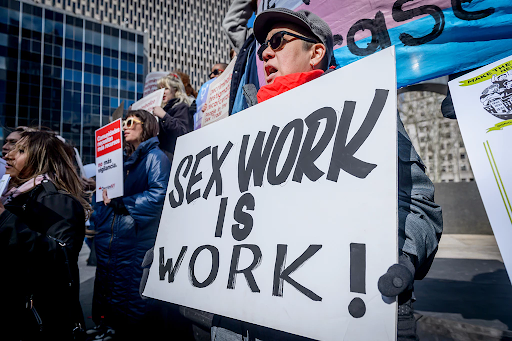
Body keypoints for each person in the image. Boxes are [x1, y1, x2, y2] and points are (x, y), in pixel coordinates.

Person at [209, 8, 443, 341]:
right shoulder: (243, 129)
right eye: (262, 47)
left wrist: (403, 256)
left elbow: (419, 205)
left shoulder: (363, 106)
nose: (265, 53)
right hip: (249, 323)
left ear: (316, 52)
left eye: (277, 41)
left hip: (337, 318)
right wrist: (173, 260)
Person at [0, 130, 91, 340]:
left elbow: (61, 258)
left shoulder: (56, 200)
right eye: (11, 148)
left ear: (41, 160)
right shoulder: (14, 195)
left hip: (39, 321)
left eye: (20, 150)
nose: (8, 155)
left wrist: (4, 218)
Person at [89, 109, 171, 340]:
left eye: (130, 122)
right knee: (108, 286)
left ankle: (127, 334)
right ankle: (108, 328)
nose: (124, 127)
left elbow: (160, 196)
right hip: (113, 239)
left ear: (146, 126)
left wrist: (123, 202)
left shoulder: (155, 157)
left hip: (135, 240)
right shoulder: (120, 161)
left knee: (129, 294)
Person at [153, 73, 192, 161]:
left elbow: (181, 132)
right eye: (160, 89)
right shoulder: (163, 110)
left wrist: (164, 116)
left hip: (175, 159)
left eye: (165, 88)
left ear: (175, 90)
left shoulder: (181, 107)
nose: (162, 92)